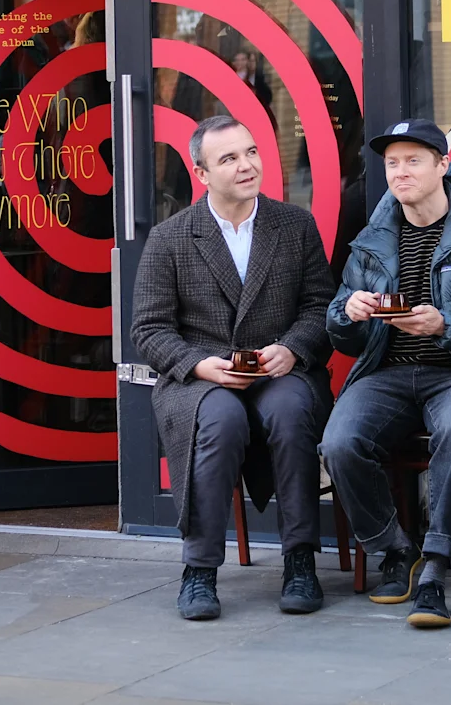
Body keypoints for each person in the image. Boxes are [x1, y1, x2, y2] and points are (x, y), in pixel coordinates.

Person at [322, 119, 451, 630]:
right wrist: (346, 313)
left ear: (443, 165)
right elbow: (340, 332)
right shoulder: (371, 239)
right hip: (388, 372)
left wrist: (446, 325)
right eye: (392, 163)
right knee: (339, 442)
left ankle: (436, 568)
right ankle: (395, 551)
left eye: (413, 160)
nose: (400, 172)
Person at [131, 115, 337, 621]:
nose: (247, 165)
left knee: (291, 413)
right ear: (201, 173)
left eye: (250, 152)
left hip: (280, 371)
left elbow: (320, 307)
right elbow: (149, 330)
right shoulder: (170, 238)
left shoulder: (294, 225)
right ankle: (199, 570)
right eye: (229, 158)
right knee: (220, 420)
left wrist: (292, 349)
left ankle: (300, 560)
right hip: (201, 381)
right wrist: (200, 365)